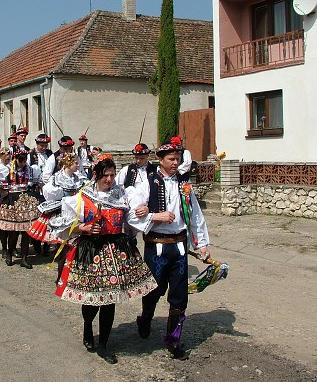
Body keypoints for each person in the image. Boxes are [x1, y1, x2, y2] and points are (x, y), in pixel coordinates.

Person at [53, 156, 157, 364]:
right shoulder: (83, 197)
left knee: (110, 300)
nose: (109, 180)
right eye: (105, 176)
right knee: (91, 299)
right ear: (96, 175)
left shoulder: (122, 194)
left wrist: (145, 210)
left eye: (111, 175)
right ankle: (87, 327)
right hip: (92, 251)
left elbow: (132, 218)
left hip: (117, 250)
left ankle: (104, 345)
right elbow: (61, 225)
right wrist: (83, 228)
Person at [129, 137, 210, 360]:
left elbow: (195, 216)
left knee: (179, 296)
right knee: (154, 290)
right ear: (160, 160)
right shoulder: (148, 183)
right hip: (156, 246)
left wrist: (202, 245)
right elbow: (133, 214)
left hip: (180, 247)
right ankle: (145, 318)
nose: (176, 163)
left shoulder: (184, 187)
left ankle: (173, 341)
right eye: (172, 159)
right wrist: (156, 216)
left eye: (178, 159)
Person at [27, 152, 88, 261]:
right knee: (62, 237)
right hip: (62, 210)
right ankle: (62, 260)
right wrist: (62, 195)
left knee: (74, 237)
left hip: (75, 209)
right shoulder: (57, 177)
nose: (78, 165)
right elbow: (48, 191)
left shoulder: (78, 177)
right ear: (68, 163)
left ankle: (71, 260)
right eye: (76, 163)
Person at [0, 148, 41, 268]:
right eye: (21, 161)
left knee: (26, 231)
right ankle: (9, 253)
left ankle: (24, 258)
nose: (23, 163)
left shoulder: (30, 170)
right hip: (12, 199)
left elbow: (34, 184)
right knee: (13, 231)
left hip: (26, 200)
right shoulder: (8, 170)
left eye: (25, 160)